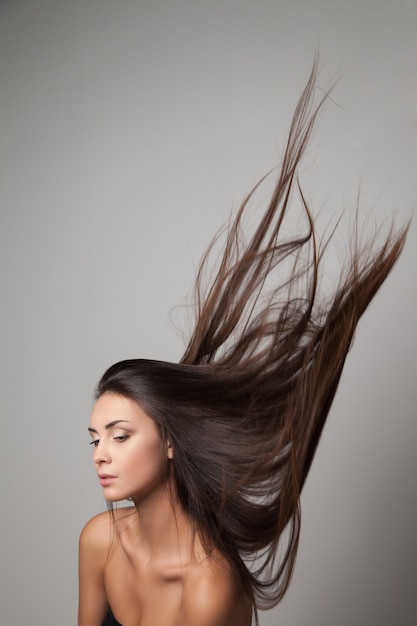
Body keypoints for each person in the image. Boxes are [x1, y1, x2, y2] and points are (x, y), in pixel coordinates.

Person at [78, 62, 409, 626]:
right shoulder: (98, 540)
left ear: (171, 442)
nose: (100, 455)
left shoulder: (211, 583)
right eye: (94, 438)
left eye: (120, 435)